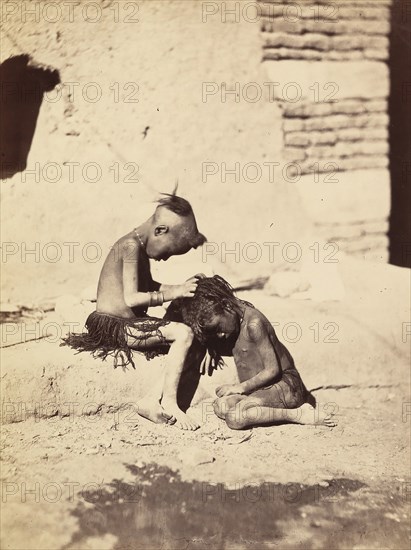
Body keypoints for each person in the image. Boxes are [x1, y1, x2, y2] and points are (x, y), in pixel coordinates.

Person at [63, 191, 206, 430]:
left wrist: (183, 288)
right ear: (160, 230)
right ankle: (169, 402)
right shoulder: (130, 247)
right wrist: (175, 292)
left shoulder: (138, 246)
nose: (165, 258)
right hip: (115, 325)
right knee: (184, 335)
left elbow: (149, 287)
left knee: (188, 331)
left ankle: (150, 400)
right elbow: (131, 298)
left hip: (126, 322)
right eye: (169, 251)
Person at [166, 276, 337, 430]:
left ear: (227, 306)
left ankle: (299, 414)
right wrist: (209, 345)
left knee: (235, 418)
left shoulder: (254, 324)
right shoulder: (231, 316)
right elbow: (201, 284)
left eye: (218, 329)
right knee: (221, 406)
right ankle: (261, 408)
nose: (220, 335)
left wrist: (239, 387)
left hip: (285, 385)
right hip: (259, 391)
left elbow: (272, 370)